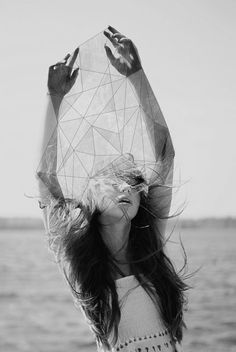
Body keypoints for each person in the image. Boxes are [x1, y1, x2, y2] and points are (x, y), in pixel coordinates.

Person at [37, 26, 188, 352]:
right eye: (113, 181)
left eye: (133, 184)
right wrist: (54, 99)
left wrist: (136, 76)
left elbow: (165, 155)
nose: (126, 188)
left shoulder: (150, 251)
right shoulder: (82, 268)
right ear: (91, 198)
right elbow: (46, 181)